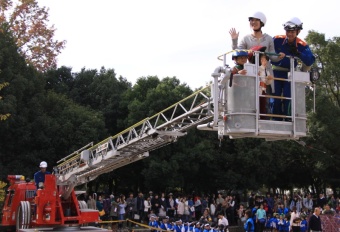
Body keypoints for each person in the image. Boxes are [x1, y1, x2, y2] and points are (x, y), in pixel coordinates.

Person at [272, 17, 315, 120]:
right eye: (288, 31)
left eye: (292, 32)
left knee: (288, 97)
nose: (290, 34)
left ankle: (288, 120)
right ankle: (276, 120)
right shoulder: (277, 39)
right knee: (275, 98)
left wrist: (298, 53)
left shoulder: (302, 44)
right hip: (275, 72)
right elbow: (265, 50)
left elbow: (310, 60)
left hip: (290, 74)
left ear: (298, 31)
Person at [229, 12, 284, 92]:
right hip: (252, 72)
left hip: (266, 72)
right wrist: (234, 40)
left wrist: (279, 56)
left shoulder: (268, 39)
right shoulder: (246, 39)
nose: (253, 22)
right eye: (251, 20)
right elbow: (238, 52)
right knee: (252, 97)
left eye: (256, 20)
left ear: (261, 23)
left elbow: (272, 57)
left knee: (266, 97)